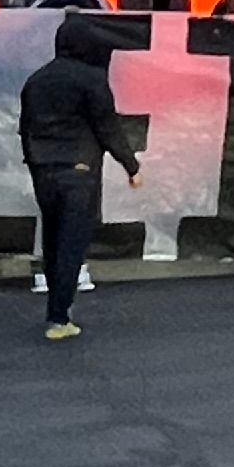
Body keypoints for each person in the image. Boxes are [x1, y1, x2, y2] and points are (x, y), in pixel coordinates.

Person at [15, 20, 142, 342]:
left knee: (54, 238)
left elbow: (25, 126)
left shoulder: (37, 79)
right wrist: (130, 164)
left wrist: (34, 160)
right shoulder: (91, 78)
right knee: (73, 241)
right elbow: (107, 125)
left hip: (43, 167)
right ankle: (59, 316)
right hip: (80, 166)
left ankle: (56, 308)